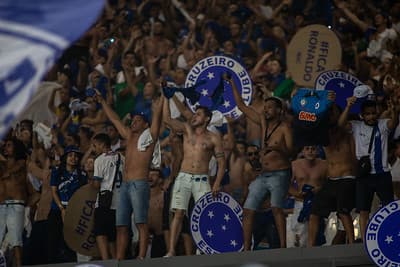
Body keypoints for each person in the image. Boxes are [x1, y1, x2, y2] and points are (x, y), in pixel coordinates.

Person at [95, 89, 164, 260]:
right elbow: (115, 119)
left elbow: (156, 117)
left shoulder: (150, 138)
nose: (133, 122)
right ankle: (119, 259)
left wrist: (163, 96)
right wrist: (102, 101)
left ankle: (141, 257)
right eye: (132, 120)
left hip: (139, 184)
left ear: (145, 125)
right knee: (121, 226)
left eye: (137, 120)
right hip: (124, 187)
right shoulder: (128, 136)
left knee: (141, 222)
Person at [230, 75, 293, 249]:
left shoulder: (285, 127)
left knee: (276, 209)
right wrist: (232, 84)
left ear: (279, 110)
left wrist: (278, 149)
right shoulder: (264, 124)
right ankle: (246, 249)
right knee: (248, 210)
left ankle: (282, 246)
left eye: (270, 107)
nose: (265, 110)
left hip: (280, 173)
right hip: (264, 174)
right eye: (265, 107)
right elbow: (242, 106)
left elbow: (292, 152)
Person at [162, 96, 225, 257]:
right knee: (178, 213)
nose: (194, 116)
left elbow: (222, 163)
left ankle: (204, 247)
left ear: (207, 118)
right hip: (183, 176)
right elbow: (167, 119)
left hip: (202, 178)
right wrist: (165, 97)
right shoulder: (185, 129)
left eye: (198, 114)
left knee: (204, 213)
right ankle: (171, 250)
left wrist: (217, 183)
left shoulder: (213, 138)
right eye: (195, 114)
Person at [338, 97, 398, 241]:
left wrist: (395, 111)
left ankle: (391, 237)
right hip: (364, 176)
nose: (371, 116)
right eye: (368, 114)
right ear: (362, 115)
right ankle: (365, 242)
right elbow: (340, 124)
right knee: (363, 210)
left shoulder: (383, 125)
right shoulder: (356, 126)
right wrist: (347, 106)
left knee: (388, 208)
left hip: (382, 174)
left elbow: (393, 123)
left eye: (373, 113)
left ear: (377, 113)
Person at [308, 104, 357, 246]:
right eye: (328, 112)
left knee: (343, 212)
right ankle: (310, 247)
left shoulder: (349, 132)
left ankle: (352, 244)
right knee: (314, 212)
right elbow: (334, 127)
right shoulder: (324, 133)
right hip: (331, 180)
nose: (330, 115)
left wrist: (347, 107)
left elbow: (341, 126)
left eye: (333, 112)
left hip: (347, 178)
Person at [48, 145, 88, 263]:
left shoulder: (82, 174)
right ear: (65, 157)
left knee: (70, 241)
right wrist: (61, 208)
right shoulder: (56, 171)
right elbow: (54, 191)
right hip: (57, 209)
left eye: (76, 156)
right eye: (70, 155)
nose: (73, 158)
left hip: (73, 211)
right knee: (53, 239)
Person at [91, 133, 124, 260]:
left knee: (101, 233)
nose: (94, 149)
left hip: (105, 202)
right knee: (112, 235)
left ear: (101, 144)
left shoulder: (100, 160)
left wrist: (92, 182)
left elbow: (96, 185)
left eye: (95, 146)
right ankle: (116, 261)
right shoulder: (122, 157)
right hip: (120, 202)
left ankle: (106, 261)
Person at [287, 145, 327, 248]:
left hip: (317, 202)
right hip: (300, 202)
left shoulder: (324, 164)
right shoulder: (294, 165)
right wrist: (297, 193)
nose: (310, 151)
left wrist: (319, 188)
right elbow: (286, 185)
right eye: (307, 149)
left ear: (317, 151)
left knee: (316, 237)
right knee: (300, 238)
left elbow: (329, 183)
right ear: (303, 151)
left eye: (313, 149)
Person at [0, 138, 29, 267]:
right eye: (5, 146)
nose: (6, 148)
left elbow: (8, 172)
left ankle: (19, 265)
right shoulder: (2, 165)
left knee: (16, 239)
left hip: (16, 204)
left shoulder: (21, 163)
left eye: (9, 145)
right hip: (1, 205)